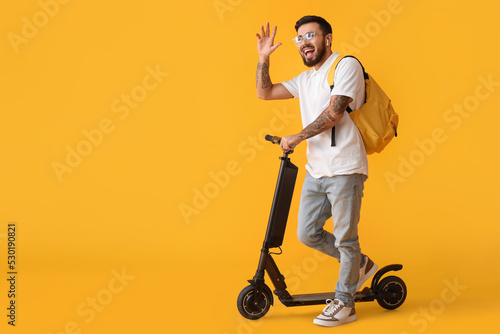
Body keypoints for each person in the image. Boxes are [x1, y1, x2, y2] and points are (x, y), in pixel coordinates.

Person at [255, 16, 378, 327]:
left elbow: (335, 112)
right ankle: (360, 266)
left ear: (328, 38)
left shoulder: (345, 66)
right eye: (300, 38)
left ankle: (345, 303)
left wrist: (297, 136)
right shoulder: (305, 79)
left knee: (346, 240)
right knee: (307, 233)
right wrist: (263, 58)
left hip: (345, 168)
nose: (304, 42)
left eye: (311, 35)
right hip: (316, 171)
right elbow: (265, 92)